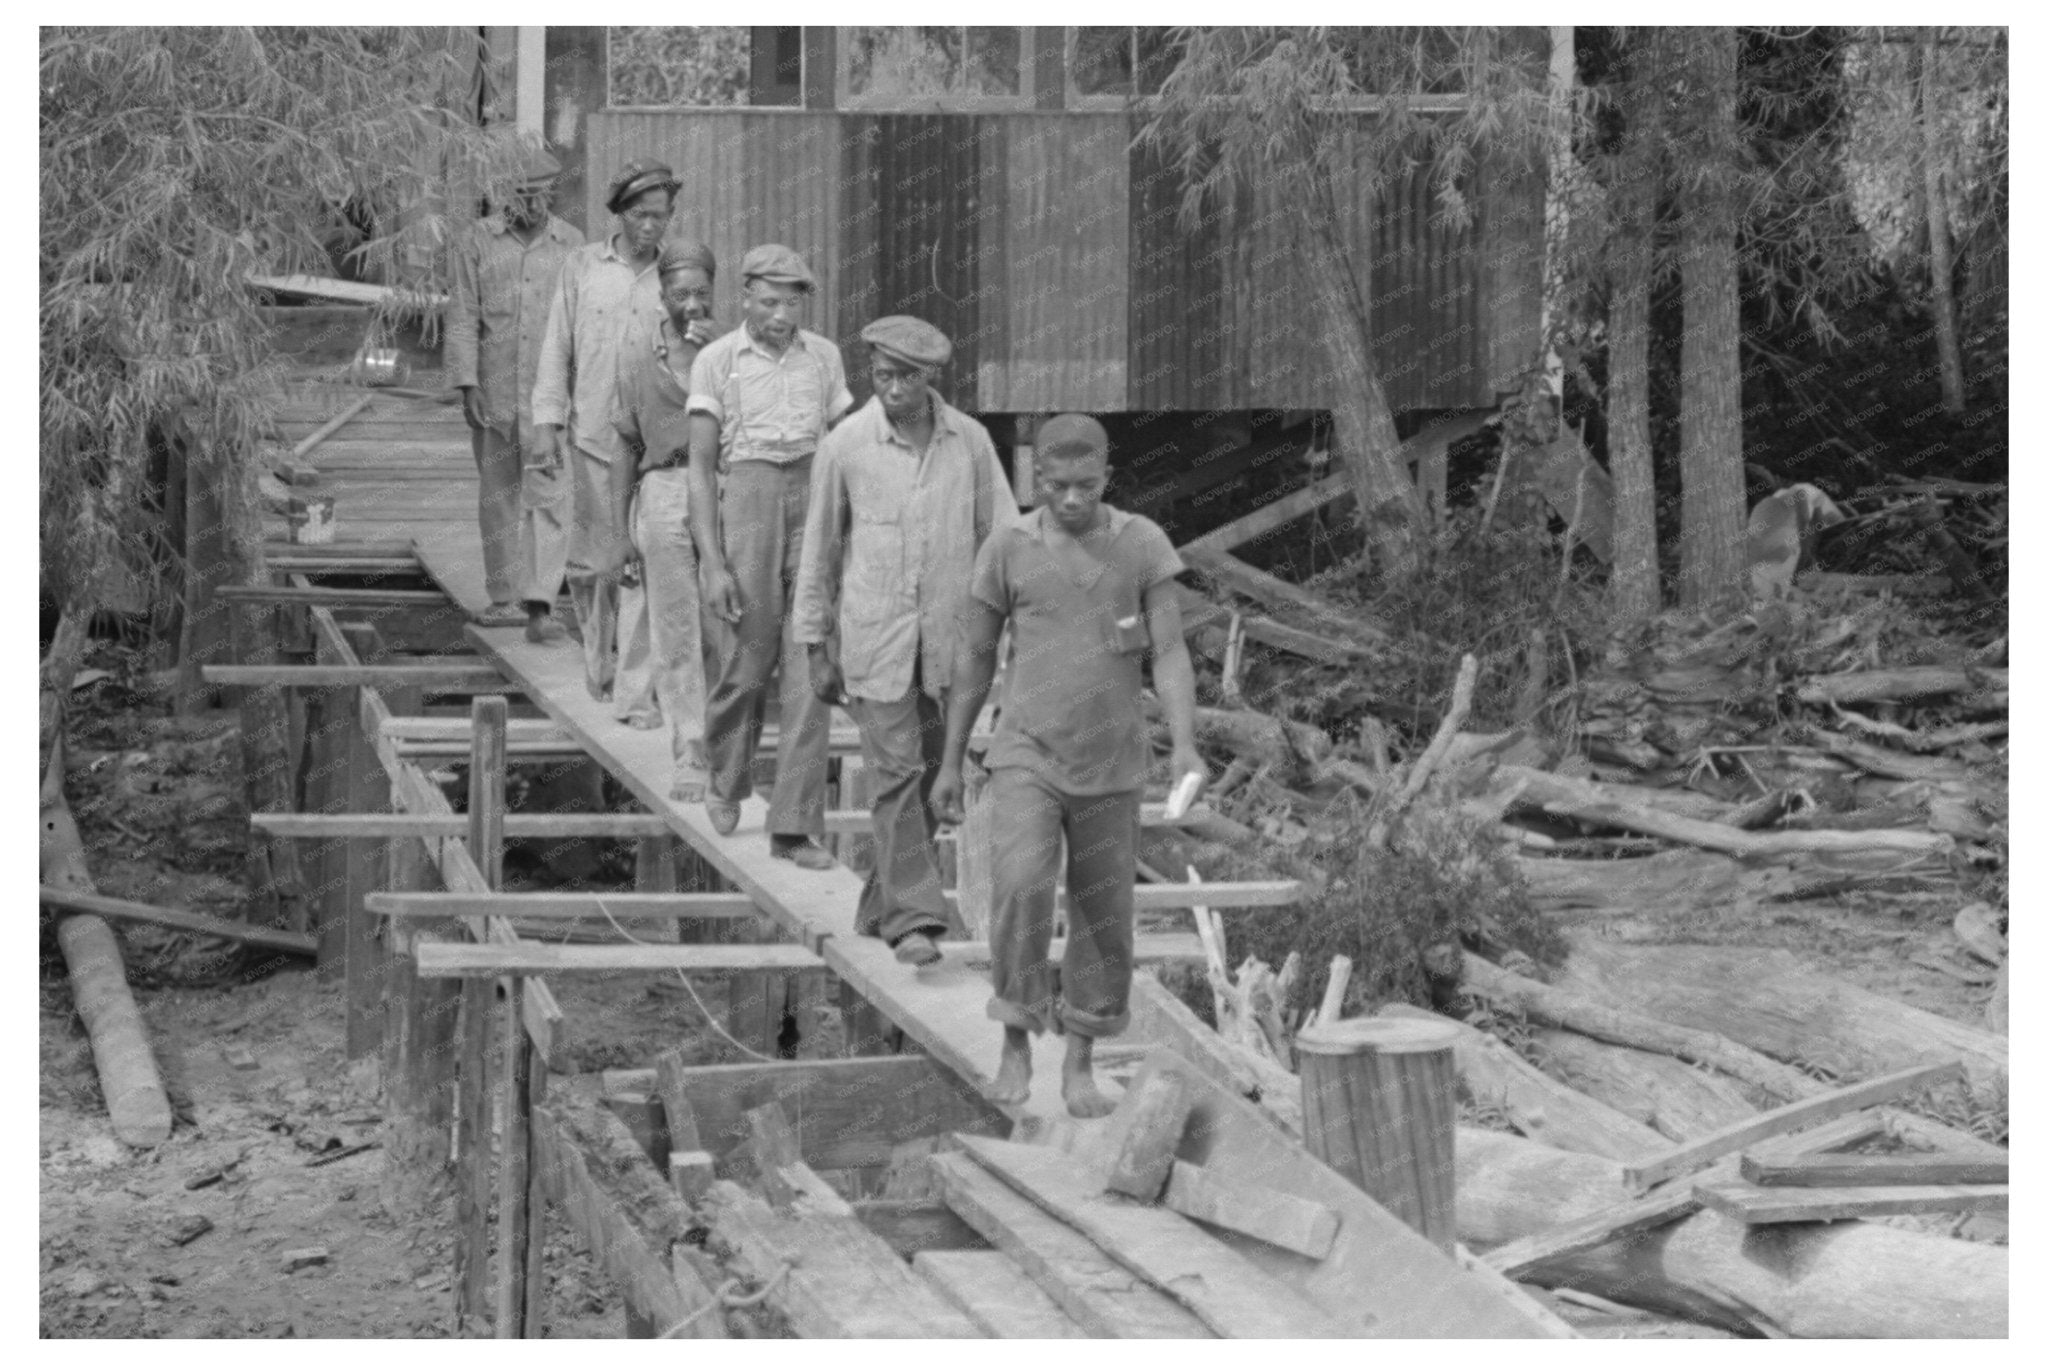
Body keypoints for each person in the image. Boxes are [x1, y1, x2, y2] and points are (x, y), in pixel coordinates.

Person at [931, 414, 1203, 1118]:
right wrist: (952, 760)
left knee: (1103, 911)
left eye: (1087, 484)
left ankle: (1080, 1057)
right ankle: (1017, 1035)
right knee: (1020, 885)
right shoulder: (1008, 547)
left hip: (1113, 761)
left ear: (1107, 477)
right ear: (1036, 480)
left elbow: (1169, 652)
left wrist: (1186, 745)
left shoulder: (1142, 545)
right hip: (1027, 751)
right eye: (1058, 486)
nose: (1073, 498)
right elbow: (976, 655)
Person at [793, 316, 1018, 966]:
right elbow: (820, 551)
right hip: (873, 645)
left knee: (923, 783)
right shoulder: (847, 446)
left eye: (906, 376)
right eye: (882, 374)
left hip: (947, 649)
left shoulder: (970, 444)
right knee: (896, 774)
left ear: (930, 378)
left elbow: (1002, 536)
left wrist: (1020, 615)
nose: (892, 387)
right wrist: (816, 641)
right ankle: (917, 919)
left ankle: (876, 904)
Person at [686, 245, 853, 868]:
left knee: (812, 661)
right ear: (745, 298)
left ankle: (792, 826)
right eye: (768, 301)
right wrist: (712, 561)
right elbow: (702, 468)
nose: (780, 315)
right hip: (748, 498)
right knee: (748, 661)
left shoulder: (825, 358)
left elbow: (844, 445)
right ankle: (726, 778)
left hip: (812, 494)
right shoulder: (717, 360)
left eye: (791, 303)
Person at [530, 160, 677, 699]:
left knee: (643, 554)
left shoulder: (675, 277)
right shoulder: (583, 266)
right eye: (640, 215)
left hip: (655, 447)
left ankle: (635, 681)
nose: (650, 226)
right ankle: (598, 660)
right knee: (595, 561)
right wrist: (546, 422)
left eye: (660, 216)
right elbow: (556, 347)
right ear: (619, 215)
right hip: (593, 437)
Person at [593, 240, 719, 800]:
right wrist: (619, 534)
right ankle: (690, 751)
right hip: (666, 487)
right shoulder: (639, 351)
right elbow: (624, 442)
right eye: (679, 293)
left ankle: (731, 744)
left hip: (726, 486)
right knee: (675, 627)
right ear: (661, 295)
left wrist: (718, 360)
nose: (691, 304)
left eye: (701, 292)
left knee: (729, 622)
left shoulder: (734, 351)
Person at [443, 137, 584, 641]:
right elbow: (462, 314)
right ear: (501, 194)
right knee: (498, 494)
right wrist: (467, 383)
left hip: (551, 398)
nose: (530, 205)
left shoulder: (572, 245)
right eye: (519, 195)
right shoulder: (475, 241)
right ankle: (503, 597)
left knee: (550, 496)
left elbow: (578, 327)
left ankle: (542, 600)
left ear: (553, 194)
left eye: (540, 194)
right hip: (496, 391)